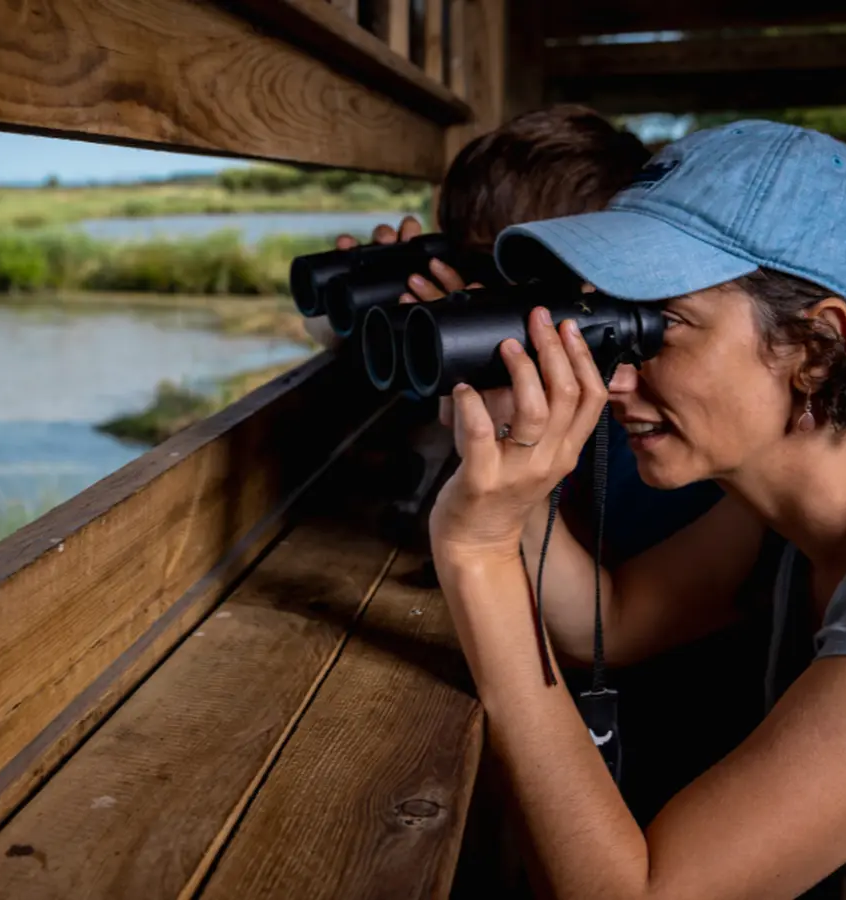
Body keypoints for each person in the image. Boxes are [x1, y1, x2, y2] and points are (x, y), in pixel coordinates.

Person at [427, 117, 846, 899]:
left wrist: (478, 555)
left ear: (817, 348)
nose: (614, 380)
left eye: (657, 328)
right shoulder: (841, 477)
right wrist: (508, 458)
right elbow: (613, 616)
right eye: (610, 325)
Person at [304, 105, 764, 825]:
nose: (477, 300)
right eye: (467, 265)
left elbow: (592, 628)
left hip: (667, 757)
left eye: (507, 275)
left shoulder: (674, 428)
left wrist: (502, 484)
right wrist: (398, 338)